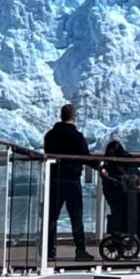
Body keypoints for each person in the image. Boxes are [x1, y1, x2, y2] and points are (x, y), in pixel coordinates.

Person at [44, 104, 94, 261]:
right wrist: (101, 168)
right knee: (76, 217)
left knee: (52, 217)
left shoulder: (50, 136)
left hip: (54, 180)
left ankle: (49, 252)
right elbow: (86, 156)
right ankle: (80, 250)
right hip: (72, 181)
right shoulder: (77, 137)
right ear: (74, 117)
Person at [101, 140, 140, 239]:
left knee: (122, 215)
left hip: (123, 192)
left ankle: (123, 234)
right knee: (120, 215)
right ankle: (121, 235)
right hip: (117, 192)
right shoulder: (121, 162)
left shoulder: (124, 161)